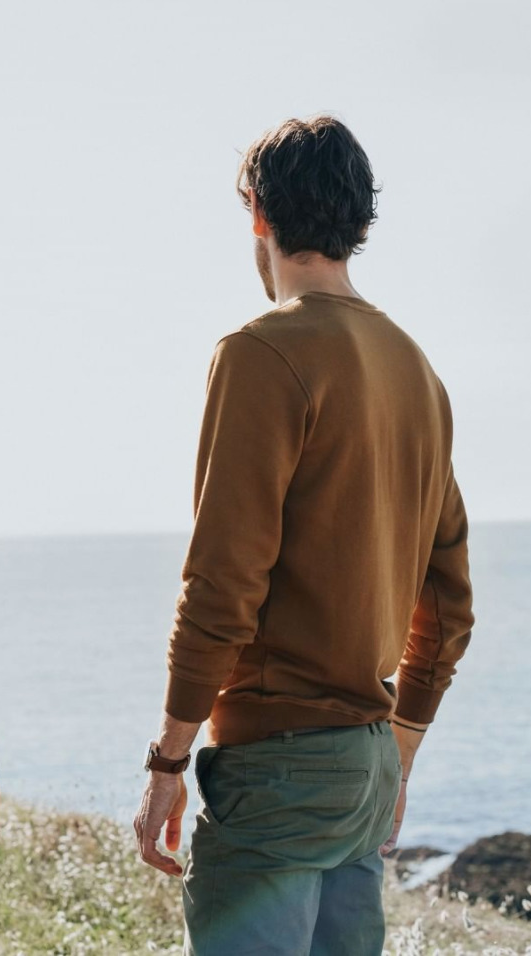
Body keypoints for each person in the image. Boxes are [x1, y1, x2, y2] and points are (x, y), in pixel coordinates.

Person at [133, 116, 474, 955]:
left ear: (259, 214)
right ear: (359, 220)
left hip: (277, 768)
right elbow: (451, 602)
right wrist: (400, 746)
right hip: (364, 764)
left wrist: (169, 760)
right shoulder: (417, 371)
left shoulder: (260, 353)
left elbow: (222, 581)